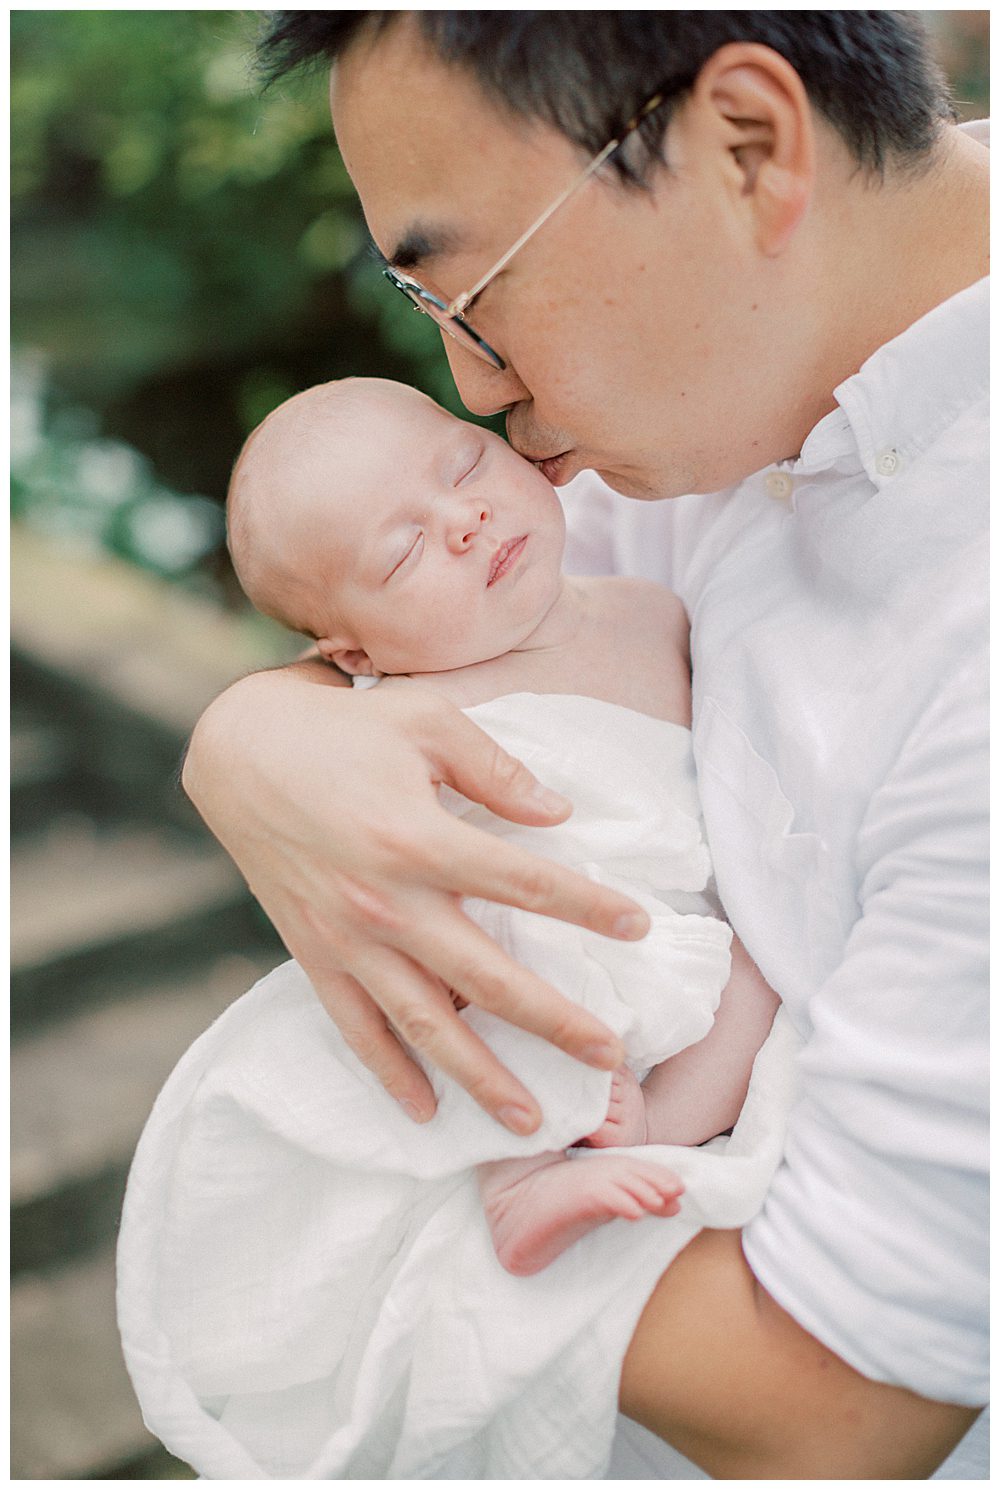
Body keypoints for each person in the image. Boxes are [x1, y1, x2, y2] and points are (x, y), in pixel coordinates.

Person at [180, 13, 987, 1478]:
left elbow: (838, 1404)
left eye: (474, 292)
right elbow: (488, 652)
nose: (478, 391)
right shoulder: (712, 389)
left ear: (746, 147)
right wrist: (249, 739)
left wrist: (363, 1240)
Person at [224, 373, 779, 1277]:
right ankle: (519, 1178)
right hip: (541, 938)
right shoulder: (400, 713)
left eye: (466, 463)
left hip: (679, 921)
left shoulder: (656, 608)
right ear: (360, 654)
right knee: (493, 945)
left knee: (765, 968)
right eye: (405, 552)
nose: (465, 519)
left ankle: (659, 1130)